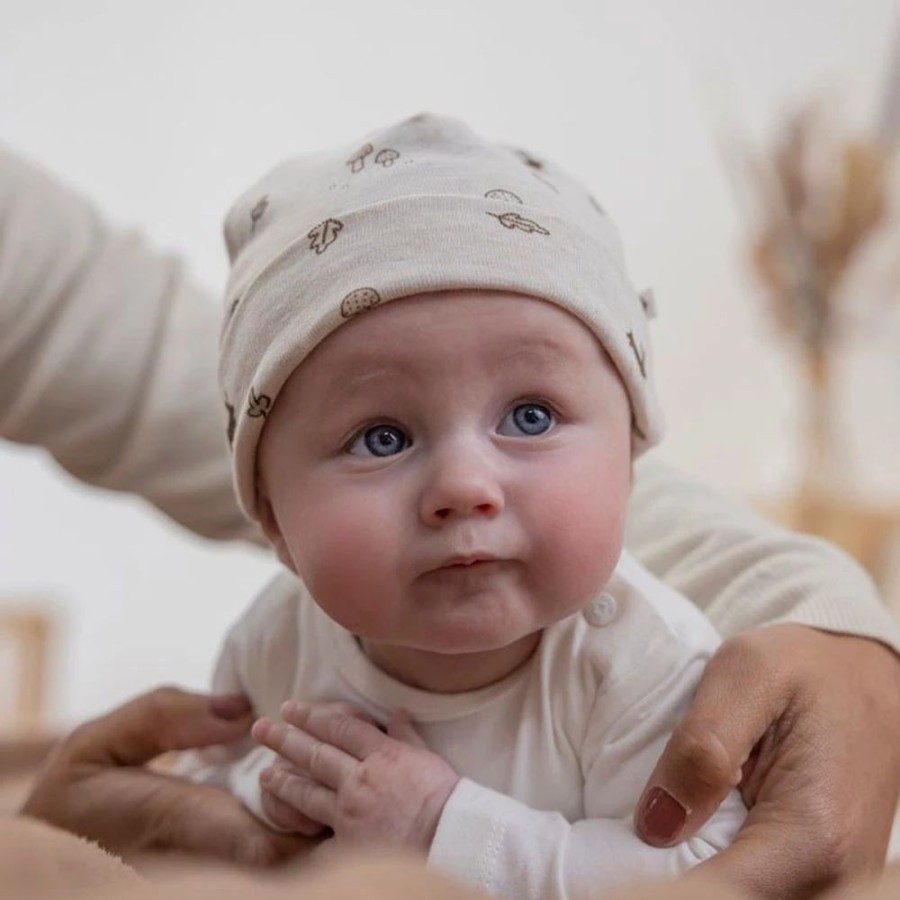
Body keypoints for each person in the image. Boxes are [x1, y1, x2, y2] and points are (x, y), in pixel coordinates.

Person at [2, 140, 900, 899]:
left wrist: (442, 824)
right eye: (382, 435)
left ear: (630, 462)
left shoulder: (643, 661)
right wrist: (263, 798)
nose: (465, 486)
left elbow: (700, 866)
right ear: (273, 521)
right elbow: (221, 784)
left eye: (532, 417)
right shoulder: (278, 636)